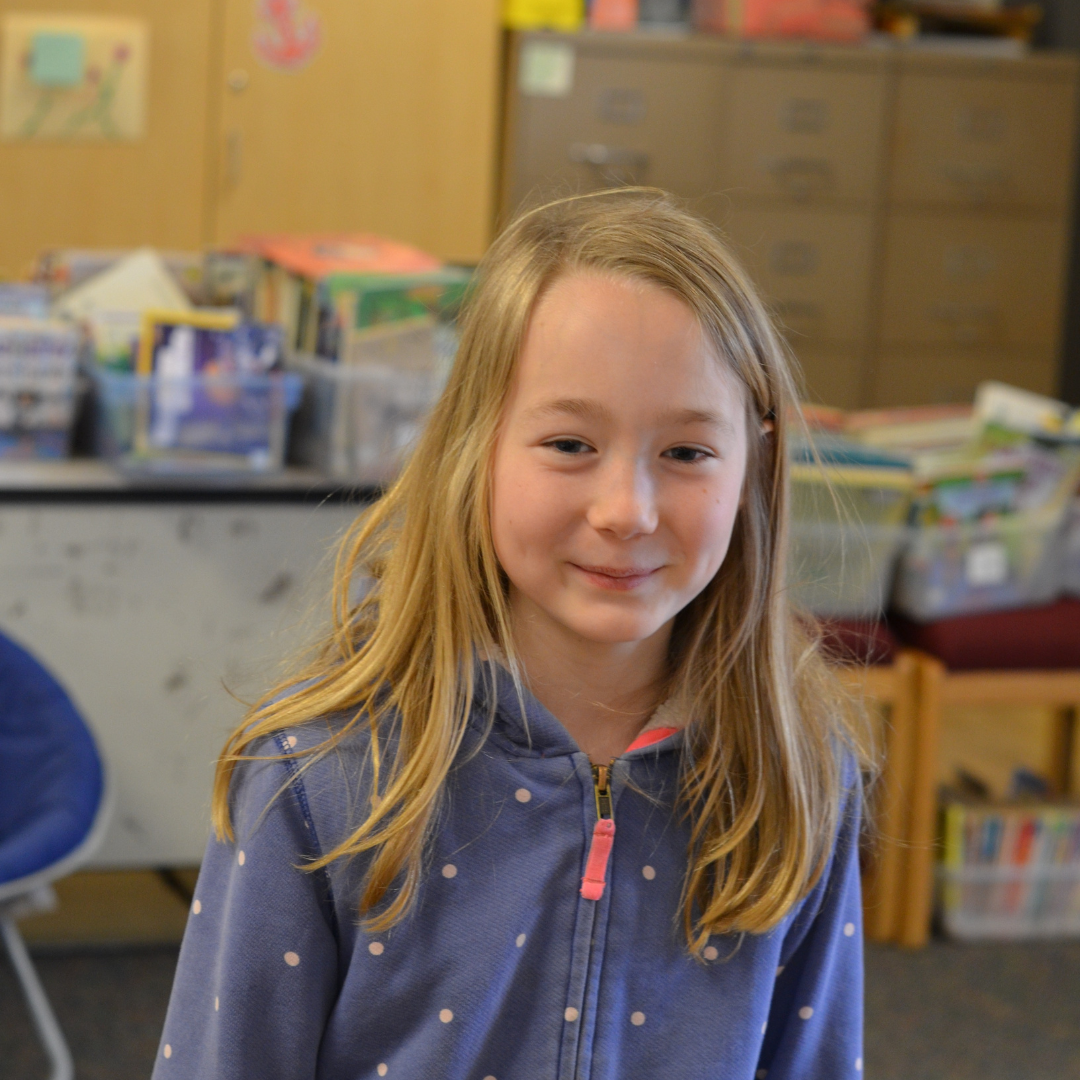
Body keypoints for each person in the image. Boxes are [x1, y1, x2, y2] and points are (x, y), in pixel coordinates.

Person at [153, 189, 872, 1080]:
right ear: (476, 446)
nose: (626, 511)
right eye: (571, 444)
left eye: (686, 453)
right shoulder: (317, 779)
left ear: (754, 463)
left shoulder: (797, 772)